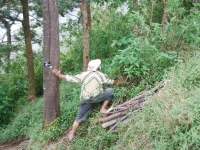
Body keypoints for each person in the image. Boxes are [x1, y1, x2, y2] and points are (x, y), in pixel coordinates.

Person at [52, 59, 118, 140]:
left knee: (78, 118)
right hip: (97, 97)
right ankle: (103, 108)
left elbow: (71, 78)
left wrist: (59, 75)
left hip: (85, 99)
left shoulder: (84, 75)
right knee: (110, 91)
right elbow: (111, 82)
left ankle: (72, 134)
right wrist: (118, 81)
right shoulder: (100, 75)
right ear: (97, 67)